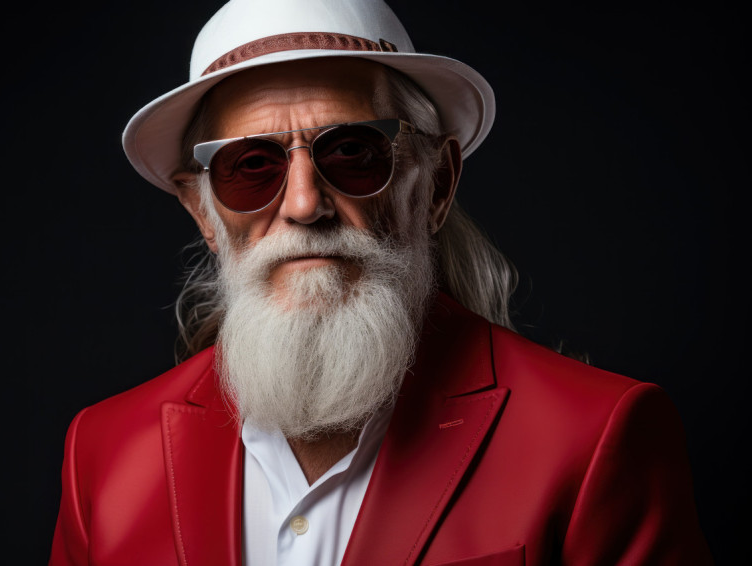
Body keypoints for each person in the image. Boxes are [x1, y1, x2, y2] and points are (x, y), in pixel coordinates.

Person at [49, 1, 713, 564]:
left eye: (352, 151)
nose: (305, 203)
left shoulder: (596, 437)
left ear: (437, 184)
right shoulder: (102, 455)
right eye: (252, 166)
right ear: (204, 212)